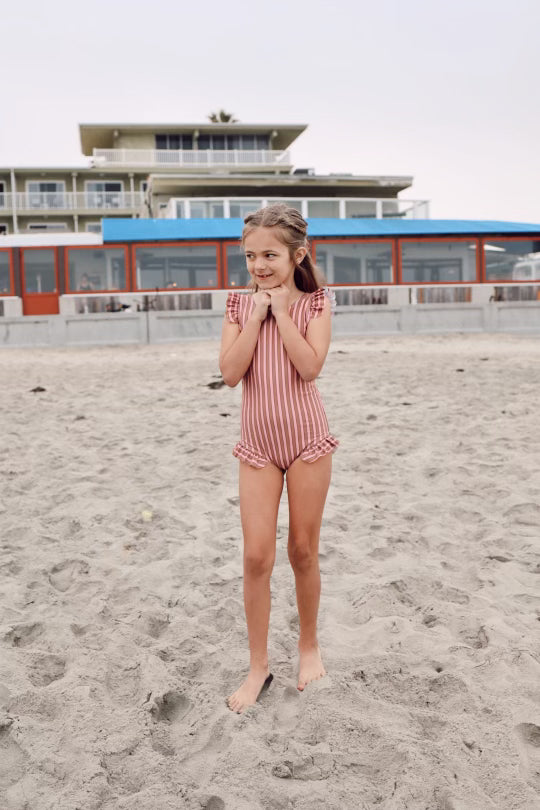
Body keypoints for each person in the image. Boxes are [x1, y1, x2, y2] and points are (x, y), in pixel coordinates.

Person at [219, 203, 339, 714]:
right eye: (250, 256)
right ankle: (258, 665)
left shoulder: (318, 303)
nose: (259, 265)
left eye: (269, 254)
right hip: (258, 446)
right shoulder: (234, 304)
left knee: (302, 551)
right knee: (255, 556)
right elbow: (228, 373)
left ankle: (308, 647)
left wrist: (283, 313)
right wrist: (256, 315)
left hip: (308, 441)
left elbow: (310, 367)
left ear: (297, 254)